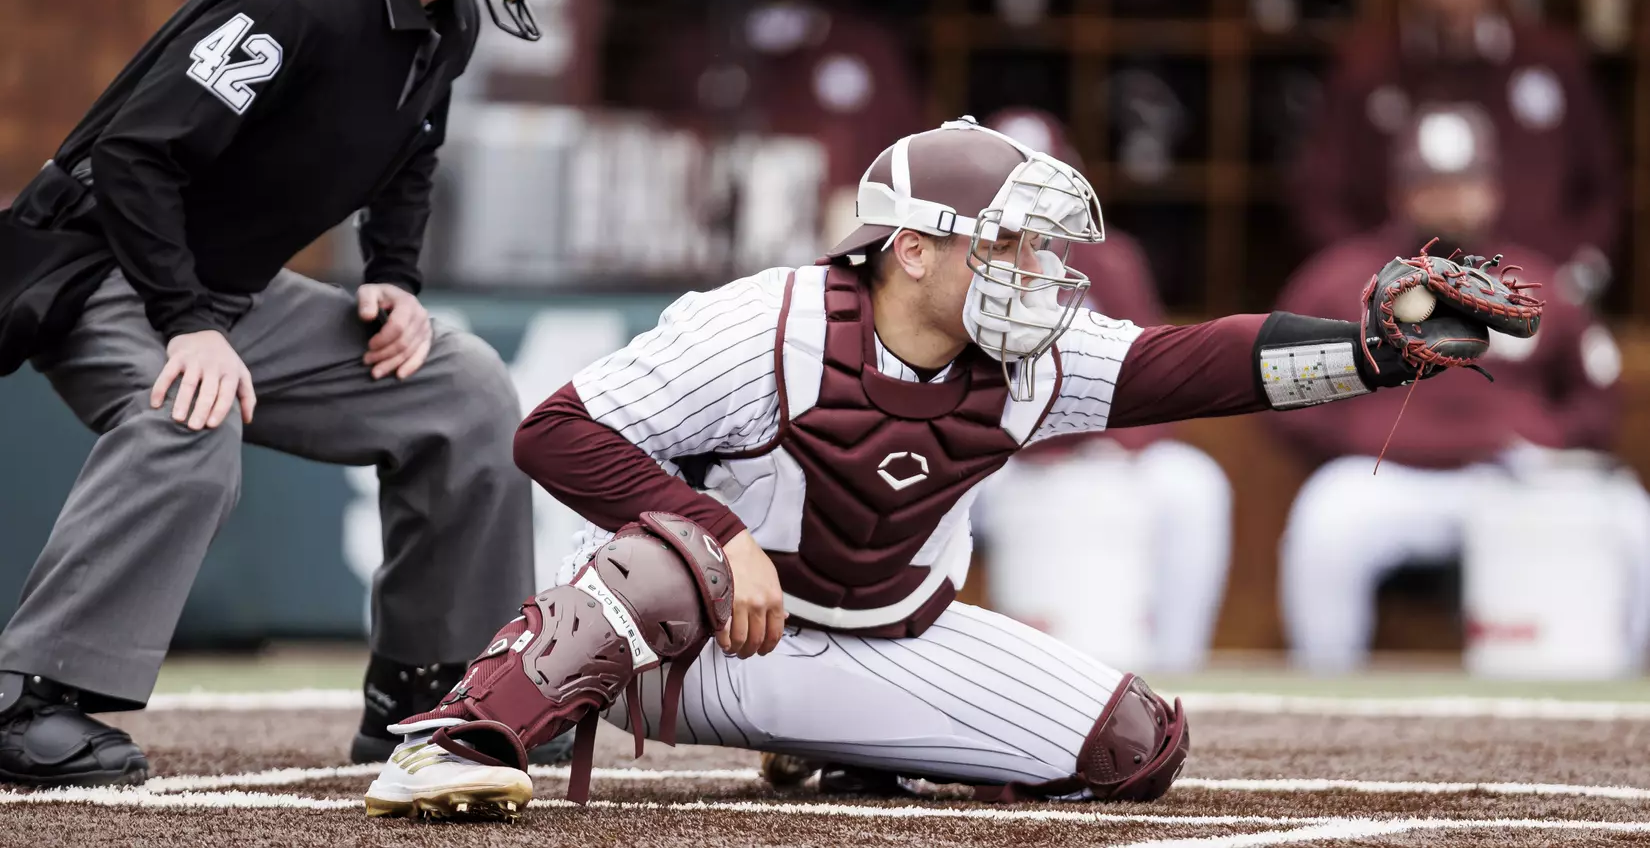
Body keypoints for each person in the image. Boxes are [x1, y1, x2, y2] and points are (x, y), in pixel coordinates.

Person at [358, 116, 1533, 819]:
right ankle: (463, 735)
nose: (1036, 265)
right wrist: (716, 531)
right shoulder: (765, 323)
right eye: (1008, 239)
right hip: (697, 641)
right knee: (664, 557)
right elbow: (552, 430)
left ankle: (831, 739)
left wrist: (1373, 352)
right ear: (912, 248)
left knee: (1135, 749)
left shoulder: (1033, 354)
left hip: (883, 628)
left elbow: (1196, 365)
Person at [0, 0, 585, 787]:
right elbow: (135, 155)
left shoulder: (452, 17)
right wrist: (185, 321)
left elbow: (413, 153)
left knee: (462, 385)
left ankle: (427, 686)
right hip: (106, 270)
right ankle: (26, 696)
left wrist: (396, 277)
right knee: (191, 418)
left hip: (226, 293)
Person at [1271, 105, 1650, 672]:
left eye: (1465, 181)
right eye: (1433, 183)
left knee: (1629, 515)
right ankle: (1326, 688)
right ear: (1402, 190)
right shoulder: (1340, 278)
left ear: (1493, 188)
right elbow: (1278, 380)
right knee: (1325, 518)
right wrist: (1353, 430)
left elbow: (1598, 392)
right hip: (1390, 475)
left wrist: (1547, 436)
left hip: (1513, 476)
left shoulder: (1536, 279)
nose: (1450, 197)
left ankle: (1624, 687)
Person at [975, 109, 1231, 673]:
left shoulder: (1111, 259)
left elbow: (1158, 371)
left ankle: (1180, 666)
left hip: (1103, 450)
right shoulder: (958, 263)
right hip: (991, 457)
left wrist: (1118, 444)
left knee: (1194, 486)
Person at [1290, 0, 1621, 302]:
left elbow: (1601, 184)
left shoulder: (1553, 59)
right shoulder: (1365, 65)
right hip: (1401, 303)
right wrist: (1363, 279)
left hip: (1532, 292)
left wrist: (1576, 273)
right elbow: (1321, 190)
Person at [629, 0, 927, 244]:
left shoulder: (867, 50)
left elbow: (914, 157)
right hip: (717, 253)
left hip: (838, 256)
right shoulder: (696, 51)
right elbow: (646, 155)